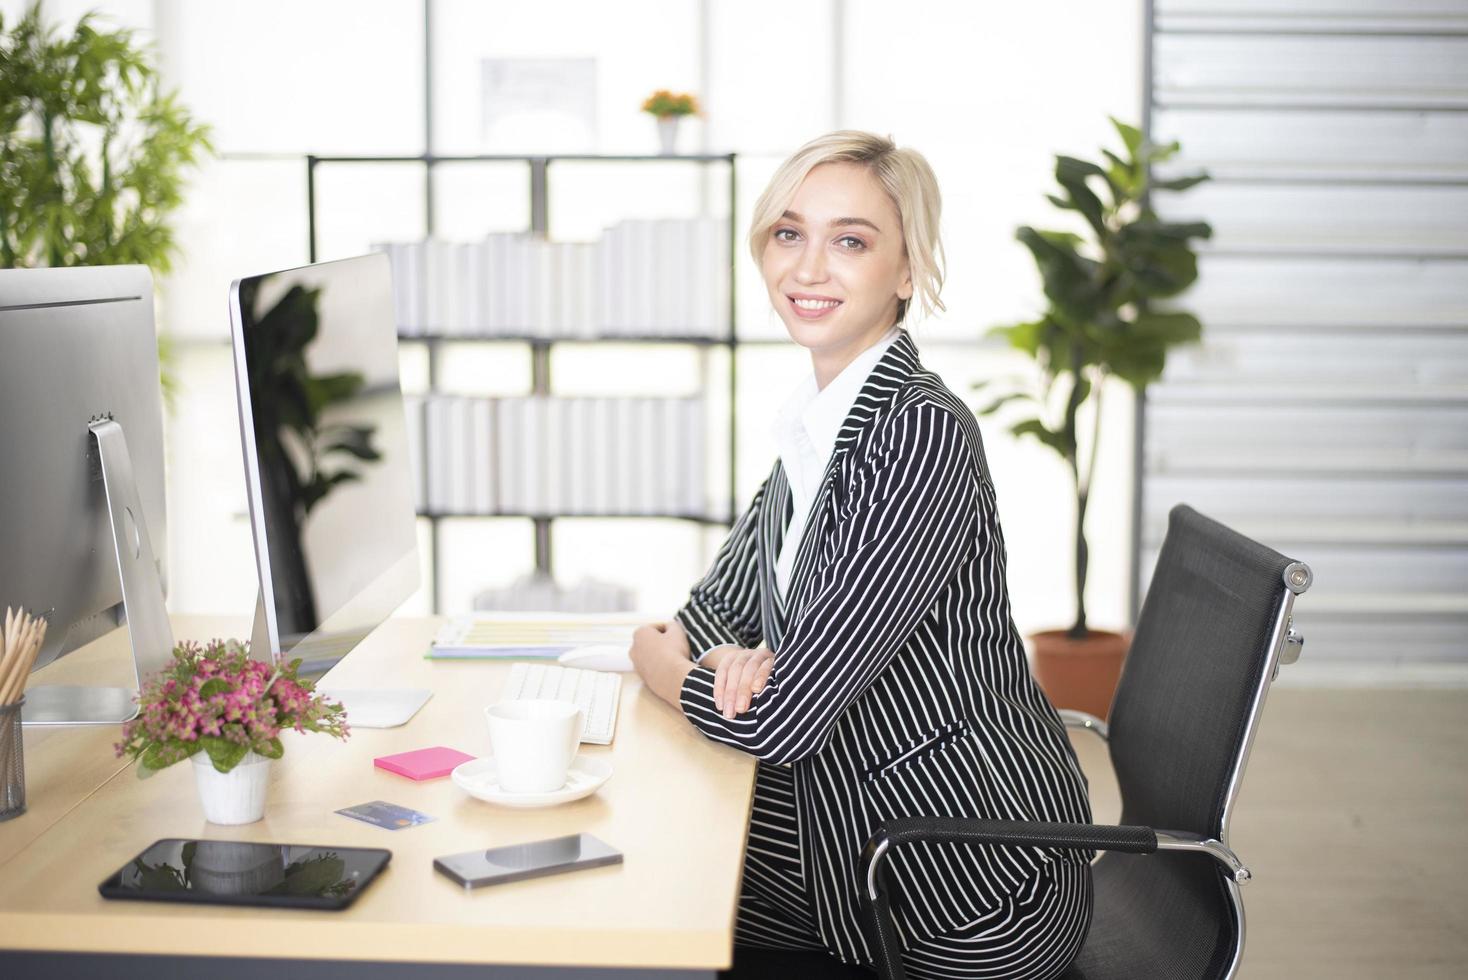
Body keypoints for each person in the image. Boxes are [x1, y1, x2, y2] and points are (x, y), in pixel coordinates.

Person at [630, 130, 1094, 980]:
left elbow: (781, 716)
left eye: (850, 240)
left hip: (957, 882)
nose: (809, 269)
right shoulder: (820, 426)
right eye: (788, 233)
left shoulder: (916, 436)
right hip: (851, 824)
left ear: (908, 271)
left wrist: (666, 669)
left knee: (644, 897)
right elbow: (707, 615)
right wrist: (722, 655)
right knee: (641, 863)